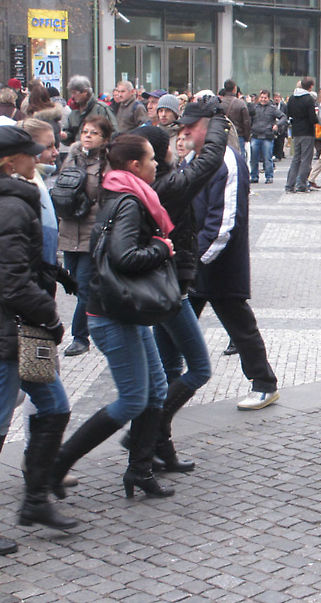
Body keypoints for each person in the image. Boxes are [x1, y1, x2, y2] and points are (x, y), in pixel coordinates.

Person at [50, 134, 177, 500]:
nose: (157, 164)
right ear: (134, 166)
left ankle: (139, 469)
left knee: (156, 389)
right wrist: (161, 247)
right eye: (152, 159)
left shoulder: (121, 192)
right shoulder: (128, 202)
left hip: (123, 309)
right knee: (133, 400)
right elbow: (124, 258)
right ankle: (57, 464)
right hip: (111, 313)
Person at [130, 119, 227, 472]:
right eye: (170, 142)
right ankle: (147, 430)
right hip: (170, 290)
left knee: (170, 368)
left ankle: (159, 448)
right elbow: (210, 161)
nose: (178, 142)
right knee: (199, 368)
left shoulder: (155, 181)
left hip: (166, 285)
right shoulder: (168, 185)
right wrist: (218, 123)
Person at [0, 128, 76, 555]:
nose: (39, 160)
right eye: (30, 155)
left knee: (55, 405)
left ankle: (34, 501)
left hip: (19, 331)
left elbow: (21, 264)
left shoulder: (16, 200)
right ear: (10, 164)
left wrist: (54, 276)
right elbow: (11, 283)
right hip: (12, 333)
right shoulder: (10, 205)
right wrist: (49, 317)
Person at [179, 101, 281, 409]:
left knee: (240, 326)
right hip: (191, 259)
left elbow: (225, 221)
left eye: (190, 127)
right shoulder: (190, 159)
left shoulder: (227, 160)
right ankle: (165, 384)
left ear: (208, 127)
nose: (184, 132)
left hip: (218, 263)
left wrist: (196, 259)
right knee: (174, 324)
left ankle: (264, 383)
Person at [57, 116, 114, 357]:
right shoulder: (72, 157)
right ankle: (100, 320)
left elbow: (109, 197)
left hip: (92, 232)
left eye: (94, 133)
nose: (87, 136)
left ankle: (80, 336)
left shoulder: (107, 163)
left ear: (105, 138)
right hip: (69, 230)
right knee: (75, 284)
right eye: (85, 132)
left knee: (84, 286)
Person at [61, 75, 117, 145]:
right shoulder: (74, 111)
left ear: (85, 92)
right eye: (72, 93)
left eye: (75, 93)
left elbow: (113, 132)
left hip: (98, 152)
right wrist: (65, 136)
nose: (72, 96)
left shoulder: (101, 108)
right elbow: (71, 134)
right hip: (80, 152)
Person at [284, 78, 318, 193]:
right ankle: (301, 184)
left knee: (296, 159)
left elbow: (289, 114)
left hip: (296, 132)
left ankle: (289, 184)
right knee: (306, 160)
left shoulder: (292, 98)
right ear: (310, 87)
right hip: (307, 132)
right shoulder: (308, 99)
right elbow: (312, 118)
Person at [248, 90, 287, 184]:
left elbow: (283, 117)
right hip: (255, 135)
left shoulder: (272, 108)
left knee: (267, 158)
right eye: (261, 97)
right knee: (253, 158)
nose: (263, 99)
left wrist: (277, 125)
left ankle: (269, 176)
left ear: (268, 98)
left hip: (267, 136)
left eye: (265, 98)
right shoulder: (254, 108)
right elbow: (249, 118)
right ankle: (254, 176)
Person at [221, 79, 251, 157]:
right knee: (239, 159)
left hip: (222, 136)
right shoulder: (241, 104)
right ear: (235, 89)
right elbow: (246, 122)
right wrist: (247, 138)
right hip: (238, 136)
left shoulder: (219, 103)